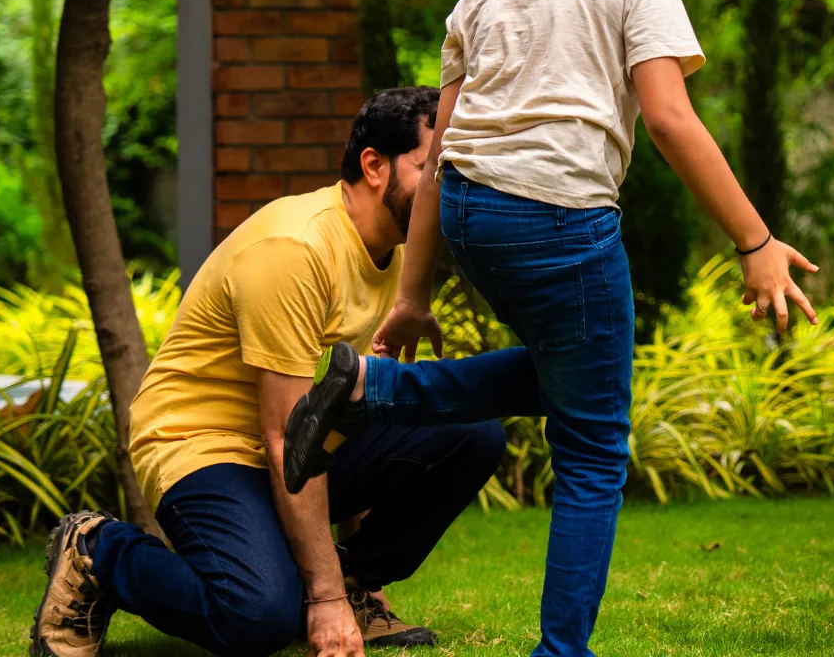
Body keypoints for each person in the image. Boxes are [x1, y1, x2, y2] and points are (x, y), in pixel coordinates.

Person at [280, 0, 818, 657]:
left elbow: (445, 149)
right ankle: (560, 651)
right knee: (596, 446)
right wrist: (755, 241)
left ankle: (371, 393)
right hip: (560, 218)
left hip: (470, 215)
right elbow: (670, 118)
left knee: (577, 381)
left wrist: (414, 294)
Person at [27, 88, 510, 657]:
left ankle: (347, 586)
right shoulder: (295, 249)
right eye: (431, 169)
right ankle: (98, 551)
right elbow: (287, 437)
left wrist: (353, 585)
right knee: (257, 618)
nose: (446, 188)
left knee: (468, 433)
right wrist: (321, 599)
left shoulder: (394, 254)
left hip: (291, 440)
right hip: (203, 443)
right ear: (374, 165)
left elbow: (343, 415)